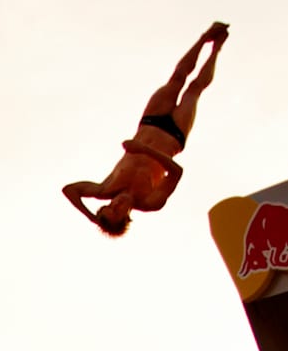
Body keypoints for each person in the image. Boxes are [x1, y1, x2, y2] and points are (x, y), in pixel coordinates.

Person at [62, 22, 230, 237]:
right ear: (127, 217)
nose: (117, 205)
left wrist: (91, 217)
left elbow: (69, 190)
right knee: (193, 90)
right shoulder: (150, 202)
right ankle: (216, 48)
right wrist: (144, 150)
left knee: (177, 78)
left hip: (150, 123)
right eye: (118, 211)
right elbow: (177, 172)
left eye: (111, 207)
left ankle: (204, 38)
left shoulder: (105, 189)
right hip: (173, 136)